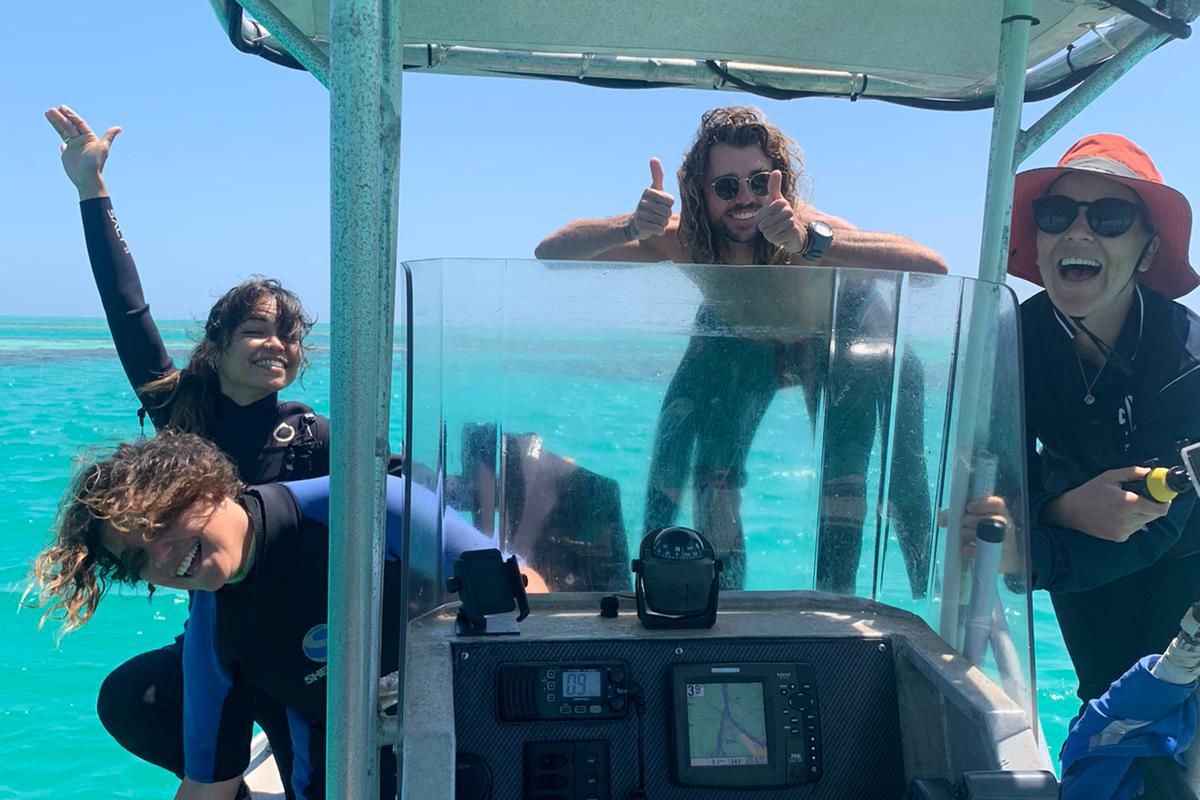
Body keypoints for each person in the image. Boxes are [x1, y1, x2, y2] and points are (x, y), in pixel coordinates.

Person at [44, 104, 400, 797]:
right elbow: (128, 314)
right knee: (132, 699)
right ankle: (223, 782)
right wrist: (93, 192)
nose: (279, 344)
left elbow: (400, 503)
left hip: (306, 644)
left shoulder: (313, 436)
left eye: (291, 335)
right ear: (220, 338)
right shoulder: (182, 412)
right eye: (260, 329)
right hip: (222, 629)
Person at [536, 106, 947, 592]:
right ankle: (716, 598)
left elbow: (930, 266)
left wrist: (812, 243)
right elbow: (551, 254)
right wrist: (628, 227)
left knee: (858, 480)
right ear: (699, 193)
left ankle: (876, 600)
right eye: (727, 188)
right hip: (744, 341)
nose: (746, 199)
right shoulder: (684, 240)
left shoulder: (808, 230)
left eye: (758, 181)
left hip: (840, 332)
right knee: (700, 468)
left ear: (780, 181)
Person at [27, 431, 543, 799]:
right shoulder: (213, 624)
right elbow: (211, 782)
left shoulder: (364, 507)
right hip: (343, 768)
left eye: (161, 523)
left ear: (206, 486)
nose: (161, 557)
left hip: (474, 722)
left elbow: (527, 596)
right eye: (138, 559)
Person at [961, 133, 1200, 710]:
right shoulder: (1010, 340)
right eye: (1056, 213)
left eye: (1112, 217)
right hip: (1073, 543)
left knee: (1170, 730)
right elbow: (991, 468)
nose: (1078, 231)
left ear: (1147, 251)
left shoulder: (1187, 359)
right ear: (1038, 242)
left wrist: (1029, 551)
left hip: (1186, 556)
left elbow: (1158, 525)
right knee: (1100, 708)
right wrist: (1057, 511)